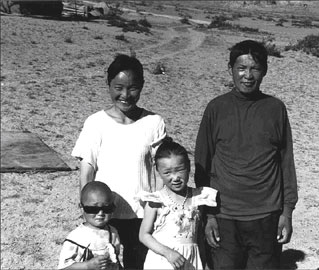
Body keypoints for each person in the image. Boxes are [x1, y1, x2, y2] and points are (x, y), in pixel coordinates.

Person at [194, 40, 298, 269]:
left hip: (266, 216)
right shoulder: (216, 109)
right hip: (224, 216)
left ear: (265, 71)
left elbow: (286, 163)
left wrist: (287, 213)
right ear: (230, 68)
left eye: (255, 68)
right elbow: (202, 164)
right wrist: (208, 216)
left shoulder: (275, 109)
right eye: (241, 68)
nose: (248, 75)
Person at [71, 54, 167, 269]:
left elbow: (160, 171)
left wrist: (157, 209)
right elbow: (87, 171)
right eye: (118, 87)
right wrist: (88, 211)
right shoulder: (96, 123)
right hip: (104, 213)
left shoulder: (154, 123)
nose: (125, 95)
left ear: (141, 86)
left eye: (132, 88)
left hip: (143, 215)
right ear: (109, 85)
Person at [138, 139, 218, 270]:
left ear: (188, 167)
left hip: (190, 262)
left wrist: (204, 264)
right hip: (163, 262)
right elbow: (144, 235)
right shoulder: (156, 201)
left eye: (179, 170)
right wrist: (168, 253)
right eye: (167, 173)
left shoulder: (198, 198)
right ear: (158, 171)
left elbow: (198, 237)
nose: (175, 178)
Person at [58, 181, 123, 270]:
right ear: (82, 208)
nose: (100, 213)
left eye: (107, 208)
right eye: (93, 209)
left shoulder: (113, 232)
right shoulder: (77, 237)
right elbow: (64, 267)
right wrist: (87, 266)